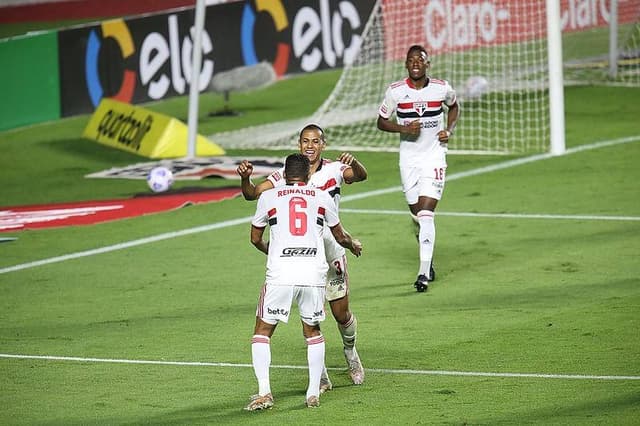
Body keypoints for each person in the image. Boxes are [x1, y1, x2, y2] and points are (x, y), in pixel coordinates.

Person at [237, 124, 368, 389]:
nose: (310, 146)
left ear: (323, 144)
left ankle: (351, 353)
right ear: (299, 145)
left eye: (315, 141)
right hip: (305, 260)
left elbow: (360, 176)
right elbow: (252, 194)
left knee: (341, 315)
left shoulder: (334, 170)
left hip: (331, 253)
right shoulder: (286, 174)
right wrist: (245, 178)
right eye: (305, 141)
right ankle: (319, 376)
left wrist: (356, 162)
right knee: (310, 317)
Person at [376, 44, 460, 293]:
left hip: (434, 159)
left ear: (427, 64)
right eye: (411, 60)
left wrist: (449, 130)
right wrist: (403, 129)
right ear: (406, 65)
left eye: (420, 59)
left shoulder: (441, 88)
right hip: (408, 161)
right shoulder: (396, 92)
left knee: (425, 214)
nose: (415, 63)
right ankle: (428, 255)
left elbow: (454, 106)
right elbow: (381, 121)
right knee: (416, 215)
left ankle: (423, 273)